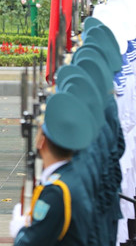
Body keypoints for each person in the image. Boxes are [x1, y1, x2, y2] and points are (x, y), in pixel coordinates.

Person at [10, 91, 96, 245]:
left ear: (42, 141)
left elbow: (29, 242)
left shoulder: (55, 192)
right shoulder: (78, 174)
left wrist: (20, 229)